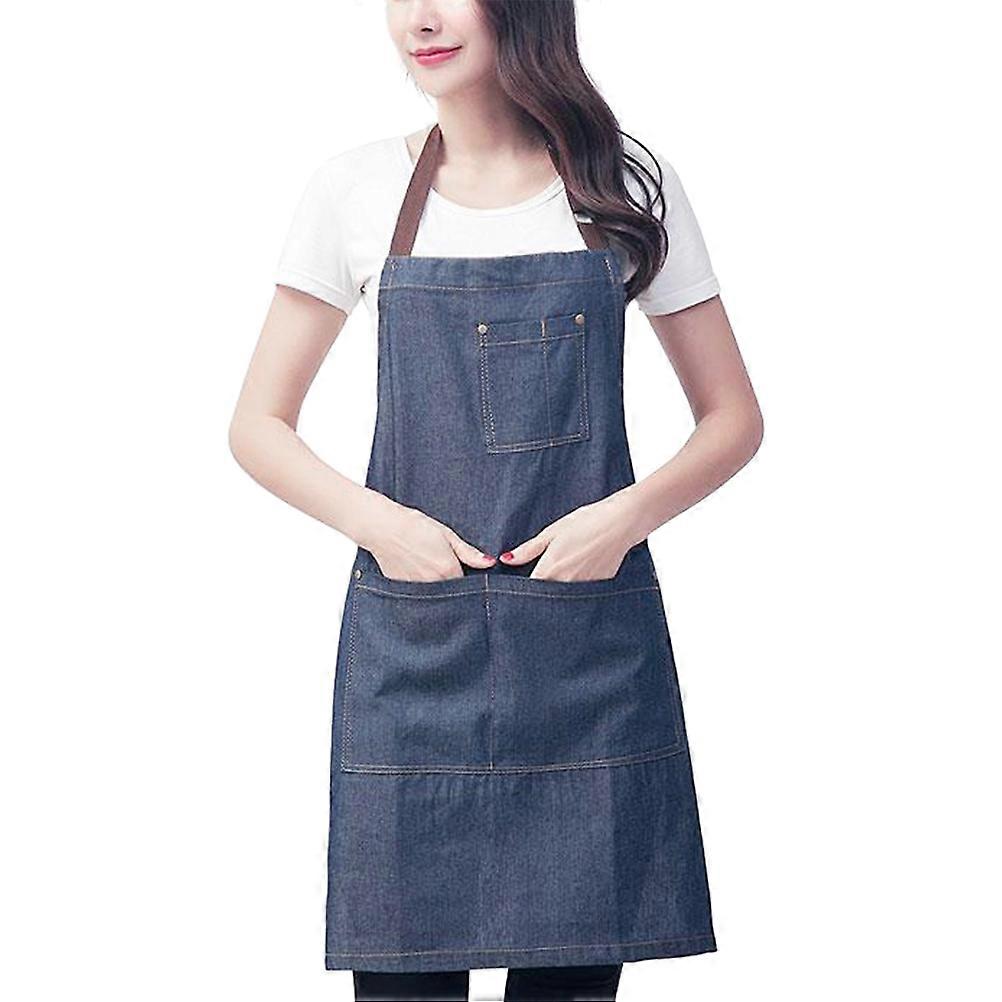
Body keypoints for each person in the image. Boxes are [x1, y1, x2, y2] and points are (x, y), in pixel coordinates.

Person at [229, 1, 763, 999]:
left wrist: (623, 518)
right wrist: (379, 524)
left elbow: (733, 417)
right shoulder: (354, 189)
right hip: (415, 653)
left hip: (586, 656)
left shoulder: (622, 183)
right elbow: (257, 424)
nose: (420, 18)